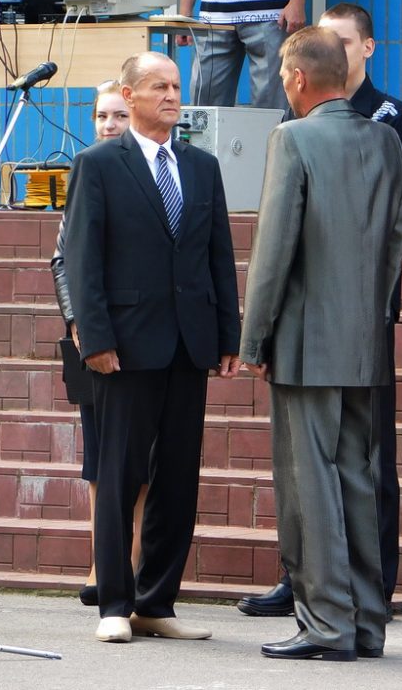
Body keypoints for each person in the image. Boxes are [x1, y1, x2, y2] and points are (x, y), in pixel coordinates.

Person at [236, 2, 402, 619]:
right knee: (359, 479)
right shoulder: (386, 139)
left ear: (296, 79)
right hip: (366, 338)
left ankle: (325, 622)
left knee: (308, 481)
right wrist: (374, 317)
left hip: (306, 344)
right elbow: (394, 242)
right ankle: (365, 620)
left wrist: (253, 339)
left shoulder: (293, 138)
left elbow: (273, 252)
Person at [62, 51, 242, 644]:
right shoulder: (98, 164)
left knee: (178, 479)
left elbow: (218, 254)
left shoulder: (201, 165)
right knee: (118, 474)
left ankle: (155, 601)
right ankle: (114, 603)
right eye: (159, 86)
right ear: (129, 94)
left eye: (176, 85)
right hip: (125, 345)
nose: (171, 95)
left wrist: (228, 335)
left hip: (190, 343)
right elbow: (83, 259)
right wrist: (95, 338)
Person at [50, 80, 148, 608]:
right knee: (99, 457)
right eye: (101, 116)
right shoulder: (86, 171)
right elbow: (63, 259)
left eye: (119, 116)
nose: (109, 125)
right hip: (93, 336)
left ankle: (133, 559)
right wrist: (76, 320)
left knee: (143, 462)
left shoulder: (152, 173)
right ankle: (101, 561)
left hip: (144, 336)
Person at [177, 0, 313, 111]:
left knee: (272, 107)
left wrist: (297, 2)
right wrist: (185, 14)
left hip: (270, 14)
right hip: (215, 16)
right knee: (204, 107)